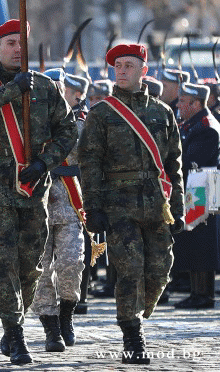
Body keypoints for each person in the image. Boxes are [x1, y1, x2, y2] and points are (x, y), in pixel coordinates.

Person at [0, 19, 77, 364]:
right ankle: (14, 330)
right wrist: (13, 91)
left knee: (30, 265)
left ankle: (16, 317)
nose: (16, 49)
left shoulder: (44, 86)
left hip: (32, 187)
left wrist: (45, 163)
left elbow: (68, 130)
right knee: (1, 261)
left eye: (20, 43)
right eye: (9, 43)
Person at [78, 43, 184, 364]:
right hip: (117, 203)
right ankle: (132, 333)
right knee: (129, 270)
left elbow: (173, 163)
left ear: (143, 71)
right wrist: (93, 207)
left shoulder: (162, 113)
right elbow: (90, 163)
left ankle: (140, 311)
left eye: (128, 66)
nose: (121, 71)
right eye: (117, 66)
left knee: (159, 270)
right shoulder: (101, 114)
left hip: (155, 202)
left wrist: (177, 207)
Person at [32, 70, 87, 352]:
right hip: (36, 205)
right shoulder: (29, 125)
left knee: (70, 263)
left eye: (59, 88)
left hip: (68, 203)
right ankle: (50, 327)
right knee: (40, 270)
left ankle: (66, 313)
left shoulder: (78, 125)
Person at [172, 81, 219, 309]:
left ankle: (204, 295)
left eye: (183, 101)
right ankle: (196, 292)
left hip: (204, 188)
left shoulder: (206, 126)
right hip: (195, 187)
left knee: (202, 242)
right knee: (192, 241)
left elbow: (194, 161)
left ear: (196, 103)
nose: (178, 104)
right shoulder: (192, 124)